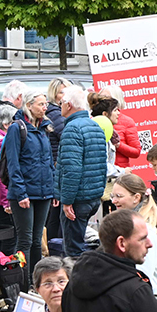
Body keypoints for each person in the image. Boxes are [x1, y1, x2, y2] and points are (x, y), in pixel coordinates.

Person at [2, 91, 58, 287]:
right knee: (24, 240)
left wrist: (54, 190)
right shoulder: (17, 128)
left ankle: (36, 282)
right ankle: (22, 283)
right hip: (24, 193)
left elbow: (49, 162)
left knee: (37, 239)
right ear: (29, 105)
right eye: (41, 104)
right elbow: (13, 164)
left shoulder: (43, 128)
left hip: (43, 192)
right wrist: (20, 193)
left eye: (46, 104)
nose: (45, 107)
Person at [55, 85, 109, 256]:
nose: (60, 106)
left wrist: (67, 201)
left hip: (77, 199)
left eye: (62, 102)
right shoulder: (95, 126)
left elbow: (71, 169)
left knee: (73, 251)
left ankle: (78, 274)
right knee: (81, 246)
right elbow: (102, 163)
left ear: (69, 105)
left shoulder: (72, 129)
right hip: (92, 197)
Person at [108, 172, 157, 289]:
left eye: (119, 196)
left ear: (136, 198)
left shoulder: (147, 230)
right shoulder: (130, 224)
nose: (113, 201)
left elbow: (144, 273)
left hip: (143, 293)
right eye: (112, 196)